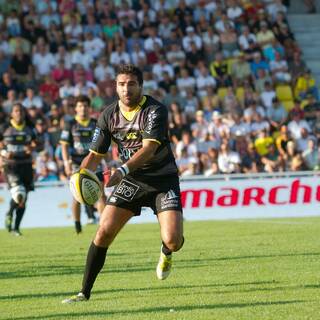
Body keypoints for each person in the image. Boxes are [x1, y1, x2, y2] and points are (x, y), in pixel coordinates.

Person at [62, 64, 184, 303]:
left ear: (140, 86)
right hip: (133, 181)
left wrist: (123, 169)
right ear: (115, 87)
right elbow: (95, 153)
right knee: (104, 230)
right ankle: (83, 293)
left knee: (173, 240)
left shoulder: (155, 110)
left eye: (131, 84)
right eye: (121, 84)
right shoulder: (108, 114)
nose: (126, 89)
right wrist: (81, 173)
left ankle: (166, 251)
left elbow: (149, 148)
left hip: (162, 179)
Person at [59, 95, 104, 234]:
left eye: (85, 106)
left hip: (94, 162)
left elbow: (103, 144)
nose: (83, 108)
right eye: (80, 106)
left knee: (100, 195)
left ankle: (102, 227)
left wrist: (106, 161)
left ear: (89, 108)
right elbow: (64, 146)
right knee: (76, 196)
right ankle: (78, 226)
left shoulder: (96, 123)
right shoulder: (70, 124)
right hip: (77, 164)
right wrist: (66, 164)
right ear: (76, 108)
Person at [0, 103, 36, 236]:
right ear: (11, 113)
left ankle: (16, 227)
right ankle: (9, 213)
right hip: (11, 165)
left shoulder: (30, 128)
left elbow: (36, 142)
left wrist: (31, 148)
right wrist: (4, 153)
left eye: (21, 111)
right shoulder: (4, 127)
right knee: (18, 192)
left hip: (26, 165)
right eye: (16, 111)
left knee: (24, 198)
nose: (19, 113)